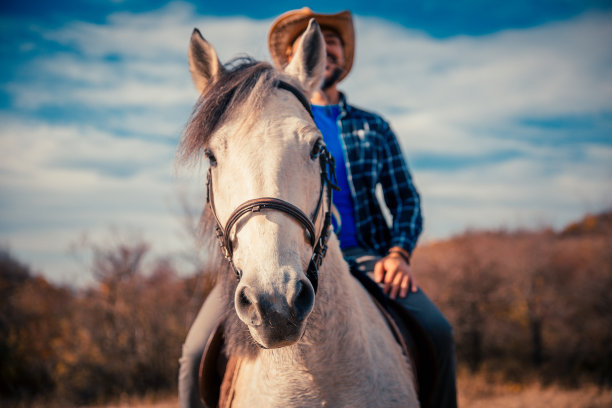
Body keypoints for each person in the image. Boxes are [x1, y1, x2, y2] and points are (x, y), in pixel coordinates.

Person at [179, 8, 457, 408]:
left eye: (334, 41)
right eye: (313, 43)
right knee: (192, 355)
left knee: (439, 332)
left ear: (341, 56)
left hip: (365, 257)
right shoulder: (263, 118)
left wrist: (398, 255)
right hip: (274, 252)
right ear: (296, 60)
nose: (325, 48)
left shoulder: (372, 127)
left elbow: (406, 200)